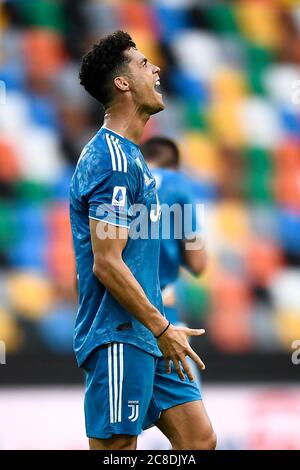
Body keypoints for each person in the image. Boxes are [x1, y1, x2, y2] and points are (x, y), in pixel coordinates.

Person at [70, 30, 216, 451]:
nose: (155, 69)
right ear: (122, 83)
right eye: (143, 63)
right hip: (119, 332)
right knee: (118, 449)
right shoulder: (112, 161)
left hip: (148, 329)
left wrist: (157, 324)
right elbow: (107, 261)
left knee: (199, 439)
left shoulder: (133, 157)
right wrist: (162, 325)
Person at [142, 136, 206, 380]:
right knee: (190, 413)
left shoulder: (122, 180)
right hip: (164, 318)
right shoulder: (178, 184)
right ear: (174, 166)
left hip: (117, 318)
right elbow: (198, 263)